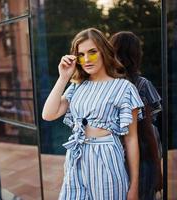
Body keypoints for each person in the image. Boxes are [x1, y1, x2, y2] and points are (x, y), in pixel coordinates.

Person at [42, 28, 144, 200]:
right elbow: (48, 114)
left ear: (104, 51)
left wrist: (134, 186)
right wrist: (63, 78)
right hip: (77, 157)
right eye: (81, 55)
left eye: (92, 52)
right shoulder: (77, 86)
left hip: (107, 158)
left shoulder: (124, 88)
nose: (87, 59)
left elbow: (131, 139)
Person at [110, 31, 163, 200]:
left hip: (114, 155)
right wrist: (157, 170)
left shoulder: (106, 84)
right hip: (141, 155)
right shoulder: (141, 85)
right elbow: (147, 132)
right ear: (136, 54)